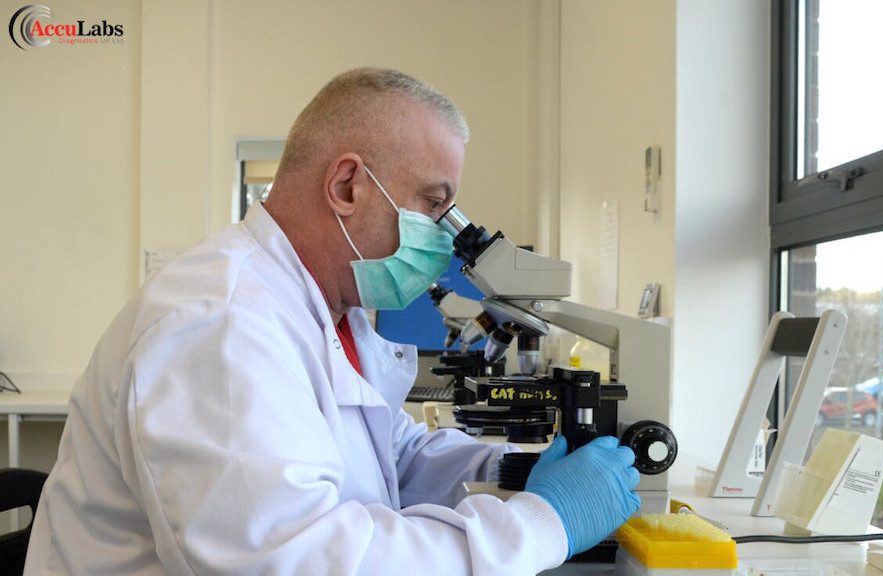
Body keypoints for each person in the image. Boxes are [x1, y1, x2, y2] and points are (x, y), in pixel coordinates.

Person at [25, 67, 640, 576]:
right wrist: (542, 523)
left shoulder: (323, 308)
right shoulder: (223, 323)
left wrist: (507, 469)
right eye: (433, 205)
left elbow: (388, 454)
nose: (445, 239)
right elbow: (291, 560)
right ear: (347, 184)